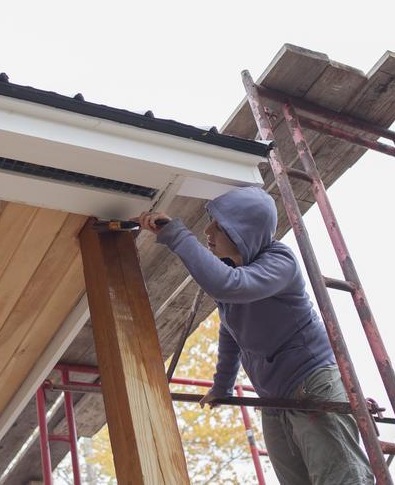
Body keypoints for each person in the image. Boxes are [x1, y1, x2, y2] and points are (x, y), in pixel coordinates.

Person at [135, 186, 373, 485]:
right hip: (273, 398)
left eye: (220, 226)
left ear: (244, 232)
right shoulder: (236, 271)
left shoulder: (279, 262)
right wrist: (222, 386)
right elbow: (231, 331)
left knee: (342, 479)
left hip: (311, 384)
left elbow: (228, 286)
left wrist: (177, 235)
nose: (208, 230)